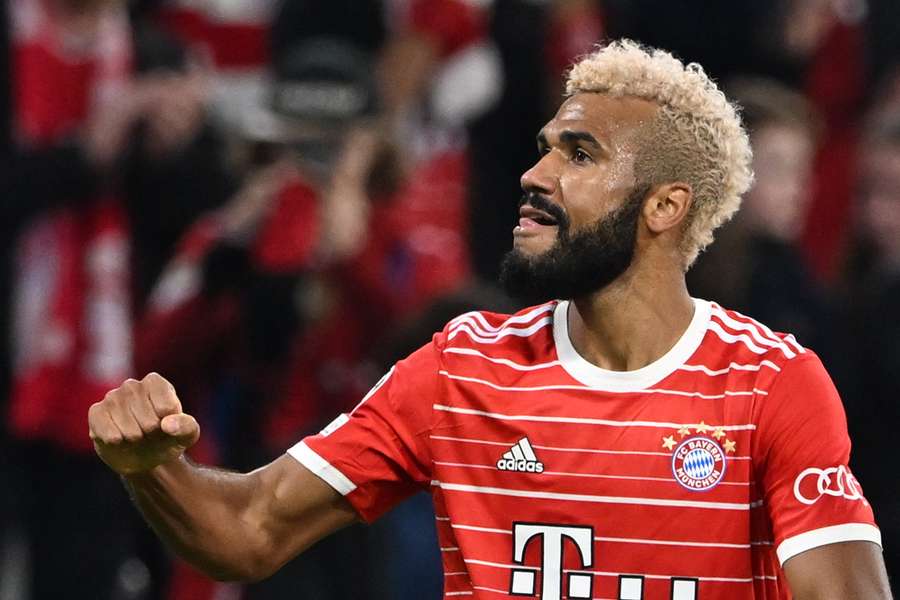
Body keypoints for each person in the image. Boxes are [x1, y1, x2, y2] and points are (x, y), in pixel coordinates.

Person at [87, 40, 891, 599]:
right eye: (544, 146)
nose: (533, 173)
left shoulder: (769, 384)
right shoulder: (463, 368)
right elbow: (249, 531)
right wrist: (153, 469)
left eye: (578, 155)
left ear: (665, 206)